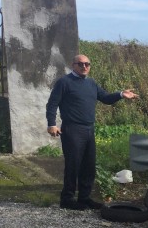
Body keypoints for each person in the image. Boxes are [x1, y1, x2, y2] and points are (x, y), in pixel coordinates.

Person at [46, 54, 136, 210]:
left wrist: (121, 94)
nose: (84, 67)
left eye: (87, 64)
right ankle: (67, 199)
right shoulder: (64, 82)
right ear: (73, 65)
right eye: (80, 64)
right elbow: (52, 104)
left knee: (88, 165)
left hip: (89, 128)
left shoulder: (91, 83)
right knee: (73, 164)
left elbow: (106, 98)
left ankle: (84, 198)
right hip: (72, 129)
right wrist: (52, 124)